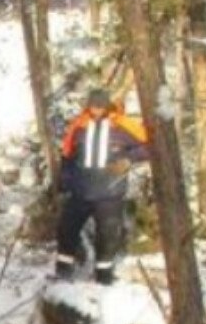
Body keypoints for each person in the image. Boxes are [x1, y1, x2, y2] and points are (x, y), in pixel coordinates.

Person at [55, 87, 149, 285]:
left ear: (107, 106)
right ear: (88, 106)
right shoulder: (79, 125)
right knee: (66, 229)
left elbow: (149, 144)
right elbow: (67, 153)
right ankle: (63, 272)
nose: (96, 110)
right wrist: (65, 180)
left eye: (100, 107)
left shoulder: (123, 124)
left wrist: (129, 159)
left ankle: (104, 277)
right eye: (93, 106)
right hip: (81, 190)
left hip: (110, 191)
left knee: (107, 235)